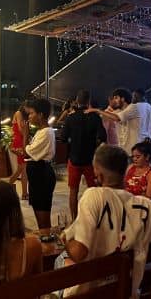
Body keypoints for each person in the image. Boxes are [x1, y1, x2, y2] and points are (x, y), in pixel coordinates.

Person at [61, 145, 151, 297]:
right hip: (128, 293)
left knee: (61, 260)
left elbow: (79, 253)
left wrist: (65, 238)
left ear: (98, 175)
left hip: (87, 294)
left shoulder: (93, 196)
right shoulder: (148, 207)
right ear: (125, 172)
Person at [61, 89, 107, 219]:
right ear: (88, 101)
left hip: (74, 159)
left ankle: (74, 219)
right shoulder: (95, 117)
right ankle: (96, 218)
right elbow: (103, 136)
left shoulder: (71, 117)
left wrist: (73, 139)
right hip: (90, 160)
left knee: (73, 191)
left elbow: (63, 138)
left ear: (76, 101)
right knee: (94, 190)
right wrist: (95, 143)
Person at [88, 88, 151, 156]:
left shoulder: (135, 107)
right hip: (142, 149)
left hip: (134, 151)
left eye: (116, 98)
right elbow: (109, 116)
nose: (114, 100)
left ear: (123, 99)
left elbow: (117, 118)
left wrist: (97, 110)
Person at [24, 98, 56, 229]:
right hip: (37, 173)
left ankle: (47, 242)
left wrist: (25, 134)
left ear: (41, 115)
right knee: (38, 212)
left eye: (31, 113)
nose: (29, 116)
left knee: (43, 217)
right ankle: (44, 241)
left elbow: (27, 152)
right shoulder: (40, 131)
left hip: (42, 174)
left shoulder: (46, 132)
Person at [8, 102, 29, 200]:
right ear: (24, 106)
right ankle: (24, 193)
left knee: (22, 168)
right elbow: (21, 130)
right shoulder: (18, 113)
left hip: (21, 140)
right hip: (19, 141)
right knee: (23, 168)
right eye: (28, 108)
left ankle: (9, 186)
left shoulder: (23, 115)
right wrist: (27, 132)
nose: (29, 110)